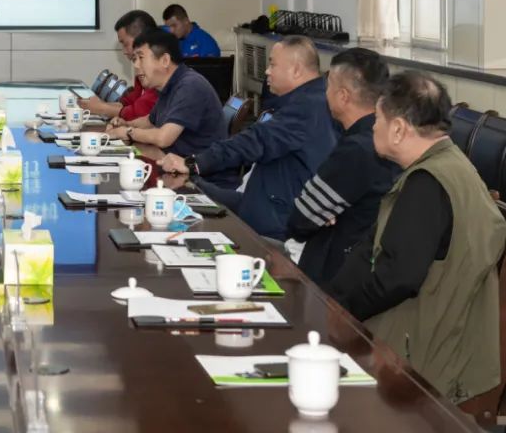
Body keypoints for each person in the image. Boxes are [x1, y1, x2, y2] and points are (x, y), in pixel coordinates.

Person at [327, 72, 506, 404]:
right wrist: (333, 299)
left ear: (398, 129)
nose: (373, 127)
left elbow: (396, 279)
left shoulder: (428, 184)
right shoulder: (449, 166)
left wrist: (342, 316)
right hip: (440, 342)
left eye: (378, 119)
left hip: (420, 363)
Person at [159, 36, 337, 240]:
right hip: (259, 205)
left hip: (274, 228)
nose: (267, 71)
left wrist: (193, 164)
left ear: (296, 70)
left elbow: (255, 141)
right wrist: (195, 177)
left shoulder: (306, 108)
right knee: (190, 191)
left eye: (272, 64)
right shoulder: (305, 101)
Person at [286, 48, 400, 284]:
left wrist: (325, 213)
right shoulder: (390, 138)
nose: (325, 94)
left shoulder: (357, 150)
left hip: (335, 277)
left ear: (343, 96)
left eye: (328, 87)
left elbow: (300, 220)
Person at [107, 28, 226, 158]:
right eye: (134, 59)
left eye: (141, 57)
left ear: (165, 60)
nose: (135, 65)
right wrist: (125, 124)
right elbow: (150, 121)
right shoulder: (169, 85)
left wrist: (127, 132)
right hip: (172, 162)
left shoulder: (190, 86)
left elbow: (163, 138)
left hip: (197, 173)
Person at [77, 10, 160, 121]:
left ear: (142, 39)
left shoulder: (159, 72)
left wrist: (102, 108)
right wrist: (95, 105)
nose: (124, 51)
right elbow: (128, 104)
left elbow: (140, 113)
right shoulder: (140, 69)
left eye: (125, 44)